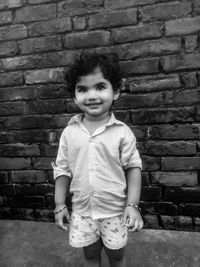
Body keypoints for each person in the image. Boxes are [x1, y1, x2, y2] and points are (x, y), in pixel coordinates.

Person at [52, 52, 143, 267]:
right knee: (91, 254)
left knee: (116, 256)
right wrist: (59, 204)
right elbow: (62, 170)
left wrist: (133, 204)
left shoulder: (122, 133)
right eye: (83, 89)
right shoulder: (70, 133)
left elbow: (133, 168)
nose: (91, 95)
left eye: (100, 87)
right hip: (83, 212)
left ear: (116, 92)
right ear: (75, 96)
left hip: (115, 212)